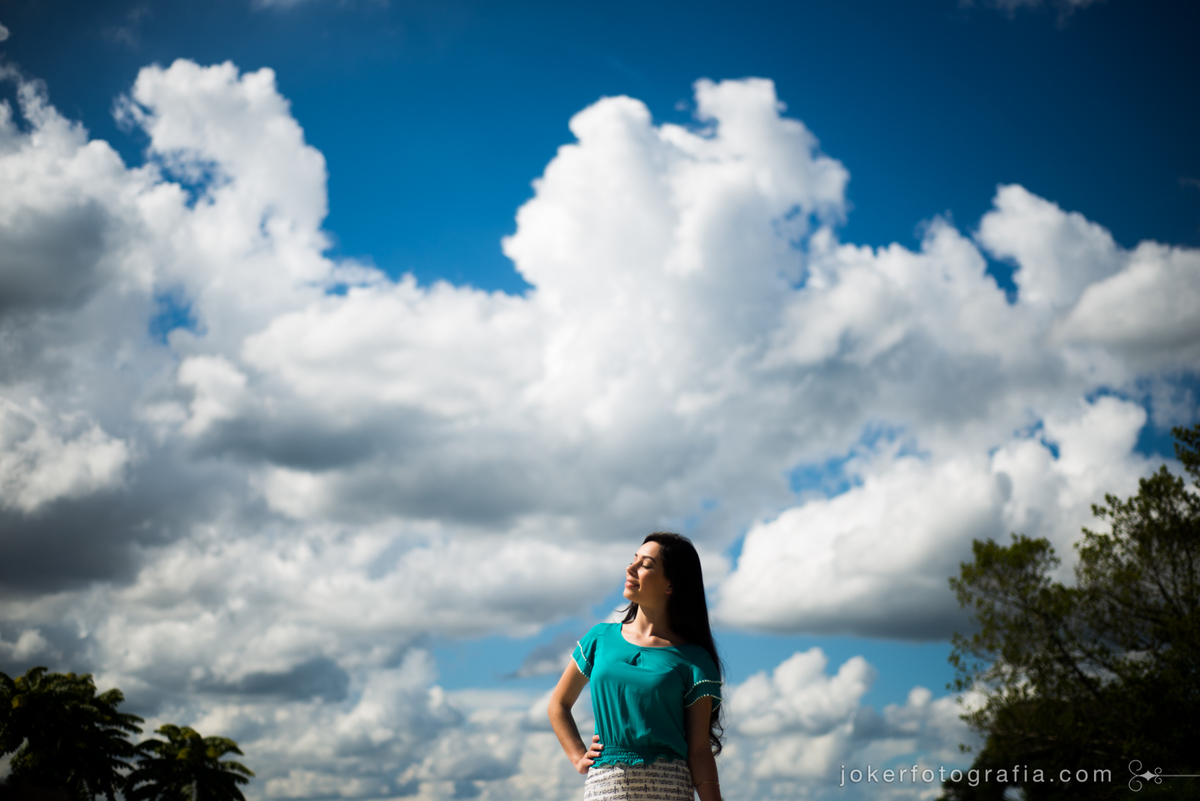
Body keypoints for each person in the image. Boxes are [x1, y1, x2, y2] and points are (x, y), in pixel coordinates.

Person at [548, 532, 724, 801]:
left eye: (646, 565)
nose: (631, 569)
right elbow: (558, 704)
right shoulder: (599, 638)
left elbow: (699, 750)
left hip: (670, 789)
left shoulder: (695, 660)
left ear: (670, 584)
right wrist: (578, 756)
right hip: (605, 787)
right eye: (634, 560)